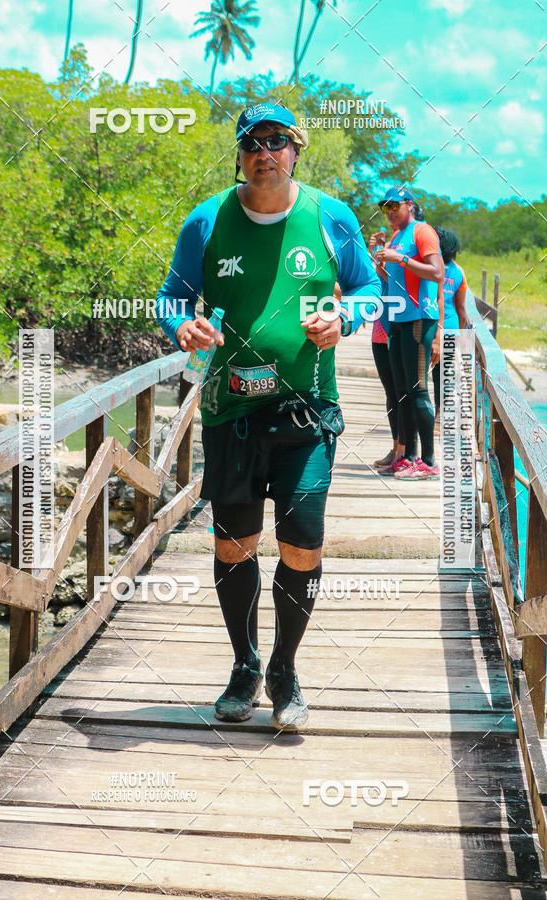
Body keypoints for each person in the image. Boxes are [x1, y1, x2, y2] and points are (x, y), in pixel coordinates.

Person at [156, 102, 380, 729]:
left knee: (302, 539)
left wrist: (347, 318)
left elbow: (368, 291)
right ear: (239, 153)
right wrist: (183, 325)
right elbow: (170, 295)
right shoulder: (208, 220)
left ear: (295, 151)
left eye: (277, 141)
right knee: (235, 544)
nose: (265, 152)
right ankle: (244, 665)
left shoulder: (330, 216)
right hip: (232, 413)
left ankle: (285, 670)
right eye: (252, 142)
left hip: (308, 411)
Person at [371, 188, 443, 480]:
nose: (388, 211)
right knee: (402, 391)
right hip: (397, 319)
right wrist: (381, 261)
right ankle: (408, 457)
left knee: (418, 388)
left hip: (419, 318)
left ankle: (428, 461)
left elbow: (436, 272)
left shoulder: (421, 231)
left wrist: (399, 259)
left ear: (409, 205)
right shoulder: (398, 236)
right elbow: (394, 281)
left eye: (394, 206)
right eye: (384, 206)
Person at [365, 239, 406, 473]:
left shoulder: (405, 260)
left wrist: (387, 264)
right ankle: (395, 448)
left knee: (404, 394)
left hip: (400, 333)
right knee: (391, 394)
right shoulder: (380, 262)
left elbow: (406, 288)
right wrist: (374, 256)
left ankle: (405, 451)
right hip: (379, 333)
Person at [432, 228, 469, 424]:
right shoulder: (458, 272)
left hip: (428, 326)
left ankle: (424, 415)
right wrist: (462, 335)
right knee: (444, 375)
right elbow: (461, 307)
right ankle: (440, 416)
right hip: (451, 328)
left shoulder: (428, 267)